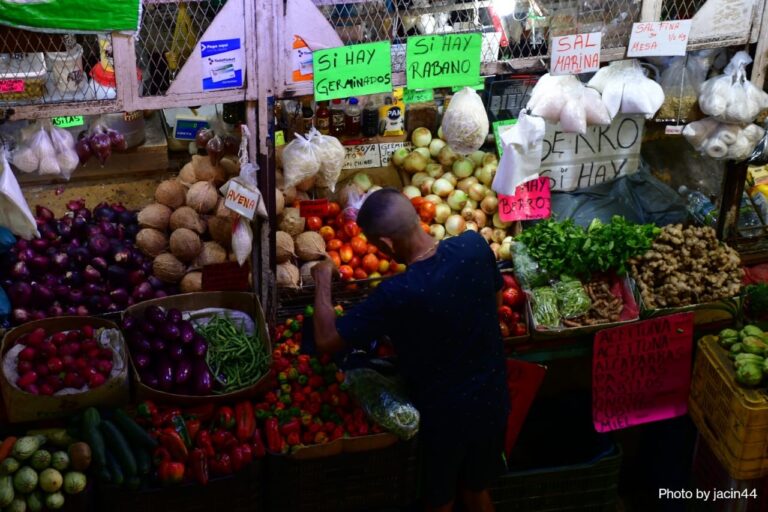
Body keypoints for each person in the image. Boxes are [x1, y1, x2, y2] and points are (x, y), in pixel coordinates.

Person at [311, 188, 509, 512]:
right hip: (493, 398)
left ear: (385, 244)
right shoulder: (473, 246)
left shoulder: (398, 293)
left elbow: (326, 339)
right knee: (475, 490)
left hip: (446, 418)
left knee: (440, 501)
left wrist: (321, 281)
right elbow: (497, 302)